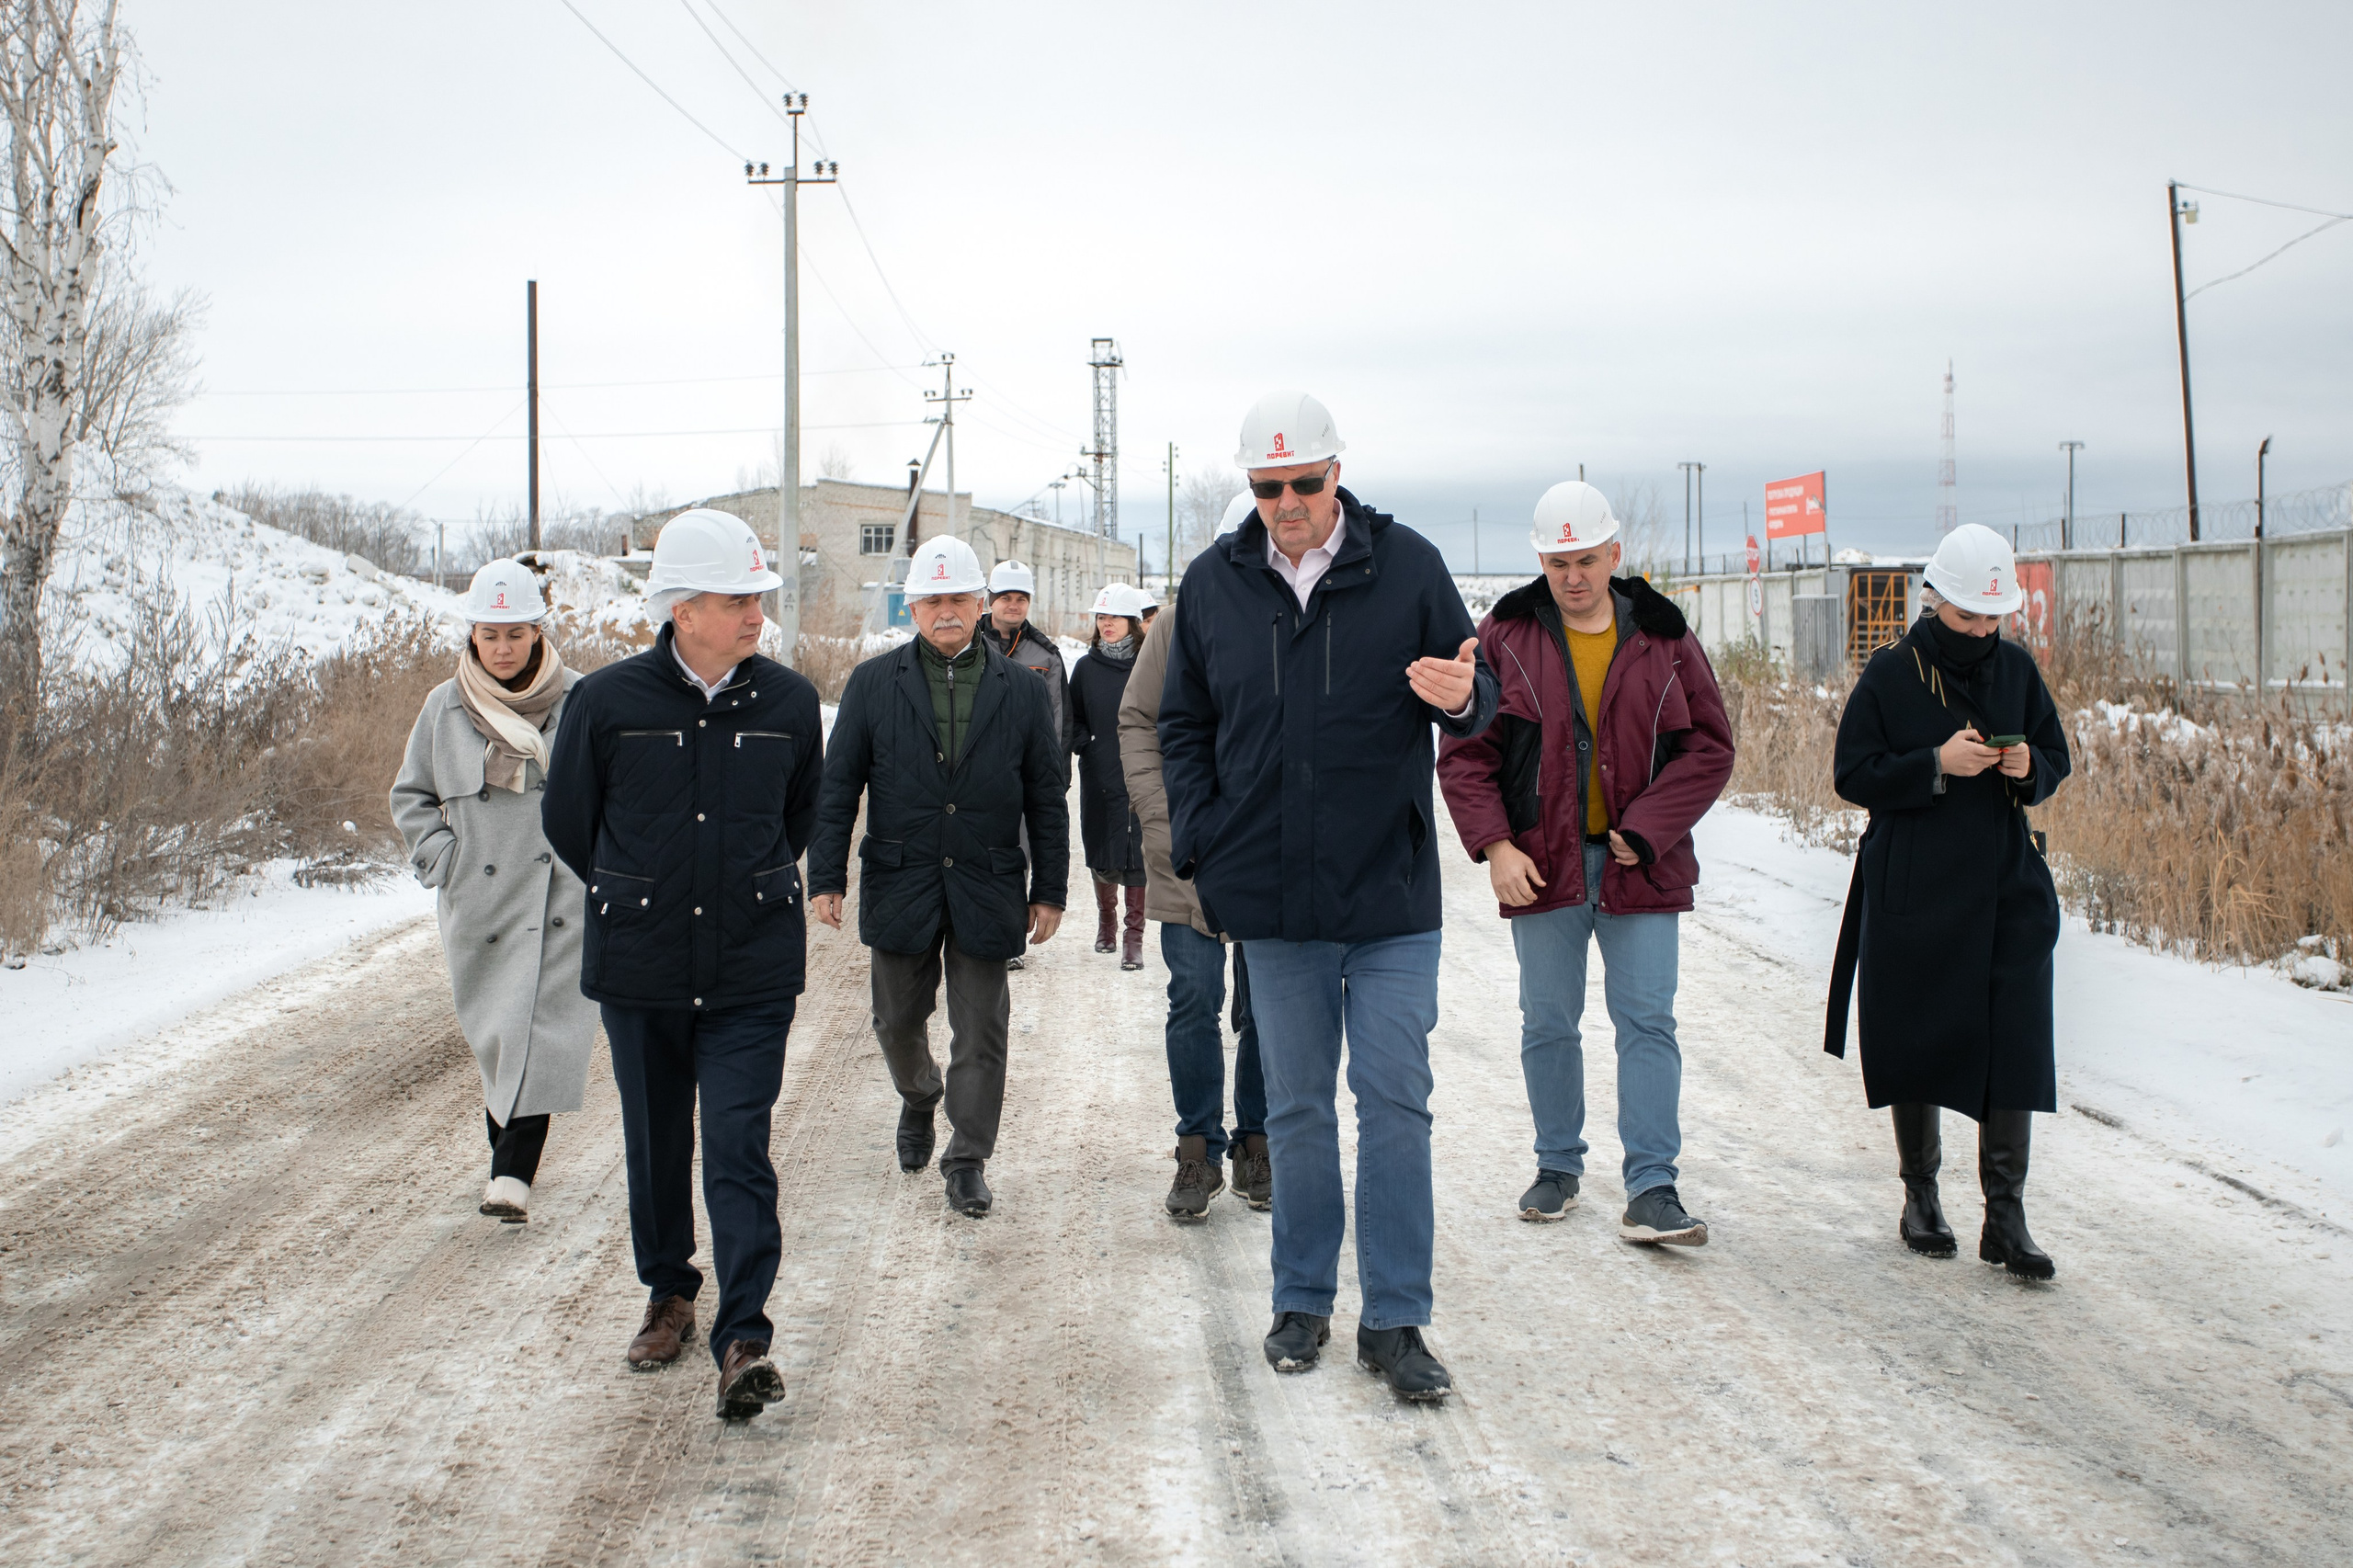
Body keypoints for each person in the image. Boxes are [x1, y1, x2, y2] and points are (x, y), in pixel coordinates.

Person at [1159, 390, 1495, 1401]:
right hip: (1271, 898)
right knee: (1299, 1109)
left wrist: (1466, 700)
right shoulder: (1214, 583)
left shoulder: (1409, 567)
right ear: (1249, 487)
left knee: (1394, 1102)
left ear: (1336, 473)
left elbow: (1480, 697)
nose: (1287, 502)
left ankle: (1395, 1320)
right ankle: (1301, 1296)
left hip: (1387, 897)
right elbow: (1182, 722)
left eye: (1304, 482)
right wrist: (1204, 839)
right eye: (1267, 487)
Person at [540, 509, 824, 1421]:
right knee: (658, 1138)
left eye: (758, 599)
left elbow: (799, 820)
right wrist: (636, 886)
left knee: (738, 1144)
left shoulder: (785, 704)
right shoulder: (607, 703)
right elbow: (569, 822)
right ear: (681, 608)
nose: (756, 616)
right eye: (739, 599)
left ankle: (743, 1333)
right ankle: (669, 1291)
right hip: (642, 965)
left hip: (751, 965)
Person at [1436, 483, 1735, 1246]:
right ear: (1540, 560)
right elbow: (1467, 753)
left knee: (1648, 1022)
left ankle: (1653, 1187)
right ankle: (1558, 1165)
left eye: (1587, 559)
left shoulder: (1665, 638)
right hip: (1543, 864)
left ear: (1614, 554)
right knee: (1548, 1021)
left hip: (1642, 867)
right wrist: (1497, 846)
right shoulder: (1504, 636)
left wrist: (1650, 827)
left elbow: (1710, 746)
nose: (1574, 576)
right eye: (1558, 561)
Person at [1825, 523, 2072, 1280]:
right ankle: (1921, 1197)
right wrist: (1935, 763)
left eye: (1993, 619)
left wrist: (2030, 765)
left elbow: (2055, 758)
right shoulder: (1892, 674)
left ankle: (2006, 1215)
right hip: (1916, 883)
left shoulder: (2018, 672)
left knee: (2015, 1037)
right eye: (1968, 618)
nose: (1982, 632)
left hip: (2004, 882)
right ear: (1935, 603)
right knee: (1918, 1033)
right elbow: (1852, 773)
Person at [808, 535, 1070, 1219]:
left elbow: (1046, 794)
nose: (946, 611)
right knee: (895, 1021)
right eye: (933, 600)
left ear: (981, 604)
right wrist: (825, 875)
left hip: (987, 881)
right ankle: (921, 1095)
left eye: (959, 599)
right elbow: (839, 790)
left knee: (982, 1029)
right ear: (912, 607)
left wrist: (1050, 890)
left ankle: (968, 1159)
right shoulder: (872, 684)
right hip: (902, 880)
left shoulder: (1021, 689)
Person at [391, 559, 599, 1225]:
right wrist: (442, 860)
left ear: (539, 633)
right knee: (496, 1035)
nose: (503, 648)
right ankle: (506, 1155)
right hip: (478, 896)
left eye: (516, 634)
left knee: (539, 1028)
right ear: (473, 637)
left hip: (561, 894)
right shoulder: (444, 707)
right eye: (490, 635)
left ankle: (511, 1174)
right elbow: (412, 796)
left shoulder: (584, 699)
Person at [1120, 494, 1269, 1221]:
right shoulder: (1178, 626)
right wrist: (1161, 817)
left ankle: (1258, 1141)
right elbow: (1138, 719)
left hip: (1274, 852)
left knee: (1271, 1005)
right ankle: (1197, 1149)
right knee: (1193, 1000)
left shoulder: (1296, 624)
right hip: (1188, 851)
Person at [980, 557, 1070, 973]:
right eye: (1005, 598)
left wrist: (1055, 776)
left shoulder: (1045, 656)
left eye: (1021, 599)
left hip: (1022, 773)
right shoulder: (967, 645)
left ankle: (1011, 936)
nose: (1013, 606)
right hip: (974, 771)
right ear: (990, 599)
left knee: (1017, 855)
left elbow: (1058, 720)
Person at [1069, 582, 1154, 971]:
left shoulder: (1150, 663)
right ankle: (1106, 920)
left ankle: (1133, 938)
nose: (1107, 624)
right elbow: (1072, 717)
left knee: (1138, 851)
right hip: (1100, 770)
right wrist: (1085, 743)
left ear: (1133, 622)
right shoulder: (1086, 667)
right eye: (1102, 617)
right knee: (1102, 848)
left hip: (1143, 771)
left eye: (1115, 617)